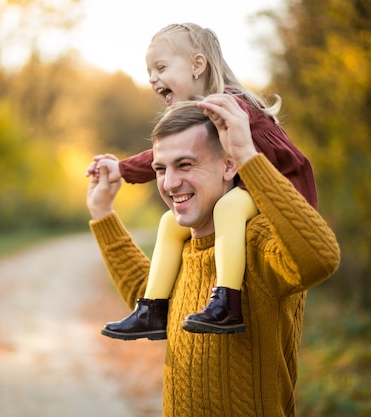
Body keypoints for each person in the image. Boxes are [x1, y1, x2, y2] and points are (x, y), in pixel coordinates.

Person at [86, 96, 340, 416]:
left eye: (186, 164)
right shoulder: (181, 243)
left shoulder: (259, 241)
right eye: (161, 169)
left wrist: (249, 156)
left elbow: (321, 258)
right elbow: (148, 297)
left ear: (229, 165)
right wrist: (103, 213)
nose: (169, 183)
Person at [87, 23, 318, 339]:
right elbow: (168, 154)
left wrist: (124, 168)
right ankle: (152, 309)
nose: (153, 78)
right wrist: (122, 169)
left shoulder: (228, 105)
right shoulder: (204, 111)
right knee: (170, 222)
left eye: (161, 67)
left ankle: (226, 302)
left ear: (197, 65)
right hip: (250, 187)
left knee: (227, 208)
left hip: (281, 189)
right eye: (149, 71)